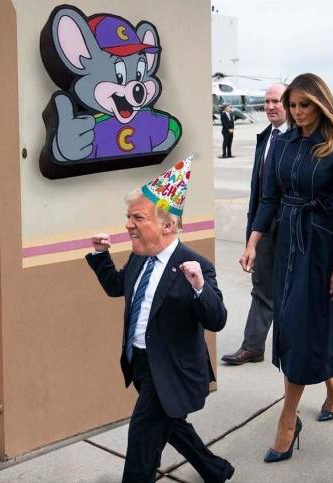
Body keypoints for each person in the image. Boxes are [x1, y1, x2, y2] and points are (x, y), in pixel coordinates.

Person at [240, 73, 333, 463]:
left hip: (322, 247)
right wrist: (252, 242)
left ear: (321, 103)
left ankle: (287, 419)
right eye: (292, 105)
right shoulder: (283, 142)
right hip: (287, 244)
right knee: (295, 325)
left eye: (304, 105)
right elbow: (269, 198)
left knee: (306, 324)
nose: (297, 112)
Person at [86, 157, 235, 483]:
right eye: (128, 217)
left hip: (173, 369)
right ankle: (216, 470)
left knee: (142, 439)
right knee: (172, 425)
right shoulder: (140, 258)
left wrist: (199, 287)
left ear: (167, 226)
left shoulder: (194, 265)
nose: (128, 225)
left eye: (137, 217)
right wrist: (100, 255)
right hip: (141, 363)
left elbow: (217, 320)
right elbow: (116, 287)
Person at [221, 83, 287, 366]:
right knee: (261, 287)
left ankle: (305, 354)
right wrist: (252, 236)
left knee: (296, 294)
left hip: (291, 230)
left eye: (276, 101)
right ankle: (253, 347)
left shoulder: (300, 138)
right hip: (264, 228)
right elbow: (259, 191)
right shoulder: (266, 137)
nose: (270, 106)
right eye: (267, 101)